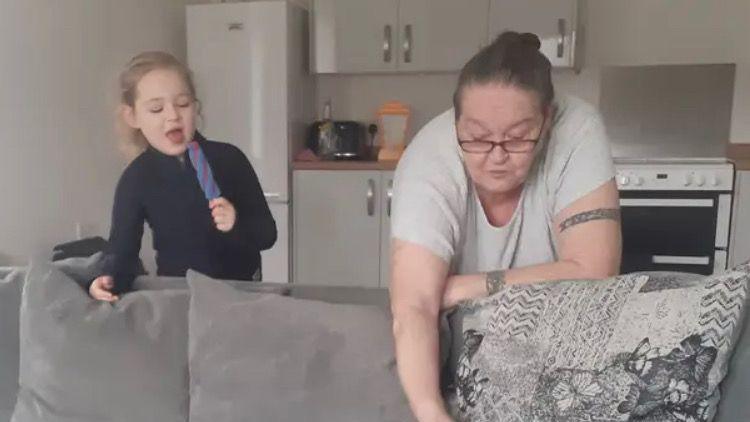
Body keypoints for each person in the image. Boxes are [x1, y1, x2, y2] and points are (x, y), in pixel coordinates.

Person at [389, 32, 622, 421]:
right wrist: (431, 412)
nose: (496, 157)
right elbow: (413, 305)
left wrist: (468, 285)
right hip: (464, 346)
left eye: (516, 139)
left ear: (547, 122)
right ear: (456, 122)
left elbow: (595, 272)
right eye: (477, 139)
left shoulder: (577, 130)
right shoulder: (428, 159)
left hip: (563, 338)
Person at [89, 51, 276, 302]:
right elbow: (122, 250)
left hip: (240, 295)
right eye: (156, 108)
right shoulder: (136, 179)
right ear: (132, 117)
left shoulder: (230, 159)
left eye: (183, 104)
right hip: (180, 298)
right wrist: (108, 278)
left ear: (195, 107)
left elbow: (267, 234)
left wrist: (235, 223)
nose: (173, 115)